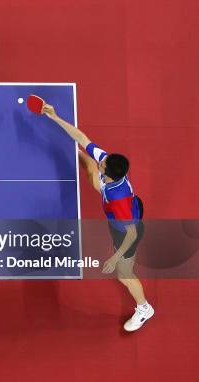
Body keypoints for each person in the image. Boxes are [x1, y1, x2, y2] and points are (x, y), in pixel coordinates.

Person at [41, 103, 154, 332]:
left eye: (102, 163)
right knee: (89, 165)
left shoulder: (119, 200)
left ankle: (144, 308)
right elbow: (83, 138)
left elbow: (131, 234)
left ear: (109, 173)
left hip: (124, 231)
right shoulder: (111, 170)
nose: (101, 159)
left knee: (124, 274)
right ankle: (70, 154)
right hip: (119, 209)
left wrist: (115, 258)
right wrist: (54, 117)